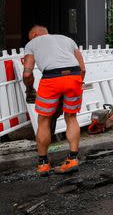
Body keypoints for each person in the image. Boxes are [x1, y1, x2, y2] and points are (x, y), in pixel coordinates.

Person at [22, 26, 86, 176]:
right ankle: (72, 159)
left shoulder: (32, 44)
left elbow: (27, 74)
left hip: (51, 79)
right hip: (74, 76)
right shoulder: (68, 40)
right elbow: (82, 69)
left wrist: (30, 88)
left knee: (44, 119)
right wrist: (74, 85)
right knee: (71, 117)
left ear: (36, 34)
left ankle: (43, 164)